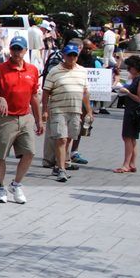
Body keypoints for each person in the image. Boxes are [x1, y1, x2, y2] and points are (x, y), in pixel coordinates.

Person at [0, 38, 42, 203]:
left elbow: (34, 96)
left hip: (25, 116)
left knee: (30, 152)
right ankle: (0, 187)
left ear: (25, 51)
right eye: (14, 49)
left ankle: (16, 183)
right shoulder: (0, 70)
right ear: (10, 50)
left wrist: (39, 120)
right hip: (5, 118)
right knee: (1, 155)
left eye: (20, 49)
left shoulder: (32, 70)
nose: (16, 53)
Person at [41, 43, 93, 182]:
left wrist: (89, 111)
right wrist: (44, 110)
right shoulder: (55, 71)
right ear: (64, 56)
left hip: (75, 110)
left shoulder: (82, 71)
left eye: (74, 55)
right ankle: (62, 169)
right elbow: (46, 91)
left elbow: (85, 92)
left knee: (69, 138)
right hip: (58, 109)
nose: (71, 58)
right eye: (69, 55)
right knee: (61, 139)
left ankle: (59, 164)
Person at [114, 55, 140, 173]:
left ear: (136, 67)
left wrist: (127, 92)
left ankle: (126, 164)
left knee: (128, 137)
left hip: (134, 112)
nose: (128, 69)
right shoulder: (137, 78)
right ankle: (132, 164)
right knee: (131, 138)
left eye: (130, 67)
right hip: (131, 110)